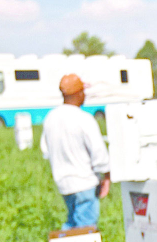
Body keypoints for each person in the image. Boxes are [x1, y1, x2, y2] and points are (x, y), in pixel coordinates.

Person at [40, 73, 110, 230]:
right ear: (78, 93)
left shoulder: (51, 118)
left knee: (72, 223)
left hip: (63, 183)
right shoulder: (84, 119)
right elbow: (99, 154)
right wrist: (106, 176)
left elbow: (45, 150)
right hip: (84, 182)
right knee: (85, 228)